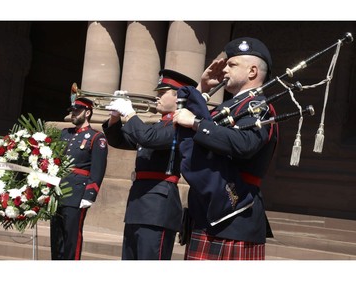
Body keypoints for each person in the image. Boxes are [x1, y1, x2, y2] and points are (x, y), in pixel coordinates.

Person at [173, 37, 278, 260]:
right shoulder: (228, 107)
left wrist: (197, 123)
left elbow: (244, 144)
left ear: (252, 71)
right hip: (209, 211)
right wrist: (201, 88)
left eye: (232, 64)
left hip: (235, 215)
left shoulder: (258, 107)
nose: (225, 70)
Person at [102, 69, 198, 260]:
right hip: (139, 202)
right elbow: (119, 141)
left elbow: (149, 139)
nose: (157, 97)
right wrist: (114, 117)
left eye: (162, 93)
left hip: (158, 206)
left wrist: (129, 113)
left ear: (178, 96)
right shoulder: (156, 126)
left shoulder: (180, 126)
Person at [50, 97, 108, 260]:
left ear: (87, 113)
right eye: (72, 111)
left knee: (71, 238)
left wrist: (89, 195)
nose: (73, 114)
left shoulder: (97, 138)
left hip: (76, 193)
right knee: (56, 238)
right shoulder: (64, 133)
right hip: (58, 191)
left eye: (77, 111)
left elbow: (98, 169)